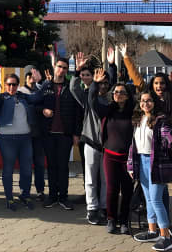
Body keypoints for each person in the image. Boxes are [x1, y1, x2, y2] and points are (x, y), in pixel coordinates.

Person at [119, 43, 171, 223]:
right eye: (156, 83)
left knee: (160, 195)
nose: (159, 86)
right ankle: (155, 227)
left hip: (163, 154)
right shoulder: (149, 99)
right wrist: (126, 58)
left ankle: (164, 227)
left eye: (162, 83)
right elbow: (137, 80)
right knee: (152, 195)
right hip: (147, 153)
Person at [0, 68, 48, 211]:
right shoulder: (2, 98)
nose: (11, 87)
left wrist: (42, 82)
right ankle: (9, 198)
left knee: (27, 169)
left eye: (14, 84)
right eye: (8, 84)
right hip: (7, 139)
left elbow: (38, 97)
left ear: (18, 85)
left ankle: (25, 195)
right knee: (8, 169)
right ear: (4, 85)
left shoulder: (23, 96)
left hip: (25, 138)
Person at [70, 50, 117, 225]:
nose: (103, 86)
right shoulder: (88, 98)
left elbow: (114, 83)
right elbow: (73, 87)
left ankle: (104, 207)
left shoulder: (112, 100)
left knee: (105, 179)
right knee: (90, 179)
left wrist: (112, 66)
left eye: (105, 83)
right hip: (90, 142)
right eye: (100, 83)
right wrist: (77, 70)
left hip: (107, 145)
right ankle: (92, 208)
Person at [89, 68, 134, 234]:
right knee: (112, 189)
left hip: (128, 159)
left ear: (128, 95)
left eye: (122, 92)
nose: (118, 94)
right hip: (110, 156)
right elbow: (92, 101)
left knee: (127, 190)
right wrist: (95, 83)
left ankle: (124, 221)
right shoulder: (108, 110)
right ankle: (111, 219)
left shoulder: (134, 112)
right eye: (115, 91)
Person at [128, 91, 172, 251]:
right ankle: (152, 231)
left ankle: (166, 236)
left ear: (154, 102)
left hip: (156, 164)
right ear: (139, 103)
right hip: (142, 162)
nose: (146, 103)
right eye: (143, 101)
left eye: (149, 101)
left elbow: (168, 137)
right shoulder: (138, 120)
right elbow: (133, 146)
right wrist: (130, 165)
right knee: (148, 200)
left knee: (156, 200)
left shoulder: (160, 121)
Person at [40, 57, 81, 210]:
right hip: (49, 133)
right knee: (51, 166)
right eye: (59, 66)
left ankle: (63, 197)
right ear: (54, 66)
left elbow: (78, 112)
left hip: (65, 134)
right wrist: (42, 110)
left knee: (63, 166)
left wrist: (76, 133)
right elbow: (36, 104)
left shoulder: (70, 87)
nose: (62, 70)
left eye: (64, 67)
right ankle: (52, 196)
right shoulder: (46, 86)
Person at [18, 65, 46, 201]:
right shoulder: (20, 91)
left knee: (40, 164)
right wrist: (39, 108)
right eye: (29, 76)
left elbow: (44, 103)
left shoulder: (41, 89)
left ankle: (40, 190)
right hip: (25, 134)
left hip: (39, 134)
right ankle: (25, 191)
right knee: (26, 164)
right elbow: (31, 102)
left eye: (33, 76)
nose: (31, 79)